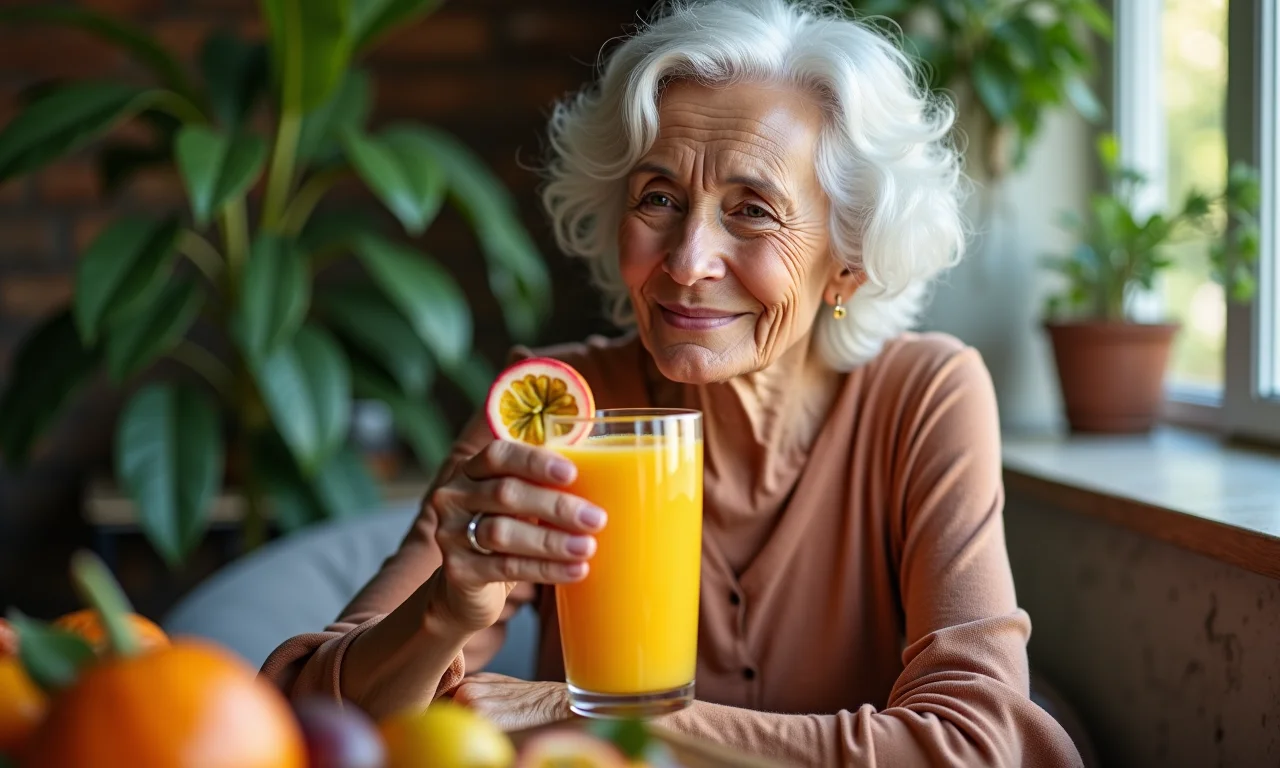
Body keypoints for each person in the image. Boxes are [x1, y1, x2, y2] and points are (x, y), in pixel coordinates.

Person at [260, 1, 1083, 765]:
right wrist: (447, 611)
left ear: (850, 261)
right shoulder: (555, 402)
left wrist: (609, 717)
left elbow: (979, 745)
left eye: (752, 210)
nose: (687, 262)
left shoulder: (924, 396)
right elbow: (310, 722)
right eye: (658, 197)